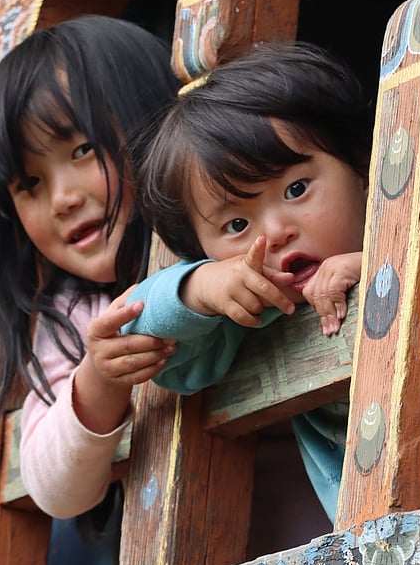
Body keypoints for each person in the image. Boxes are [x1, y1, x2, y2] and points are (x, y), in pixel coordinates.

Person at [0, 15, 178, 565]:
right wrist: (97, 383)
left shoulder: (233, 225)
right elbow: (57, 489)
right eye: (30, 182)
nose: (63, 197)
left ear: (153, 120)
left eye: (82, 149)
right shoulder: (75, 318)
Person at [123, 42, 373, 523]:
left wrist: (379, 263)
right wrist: (201, 288)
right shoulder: (256, 315)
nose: (275, 232)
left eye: (296, 189)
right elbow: (141, 338)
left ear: (361, 168)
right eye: (236, 226)